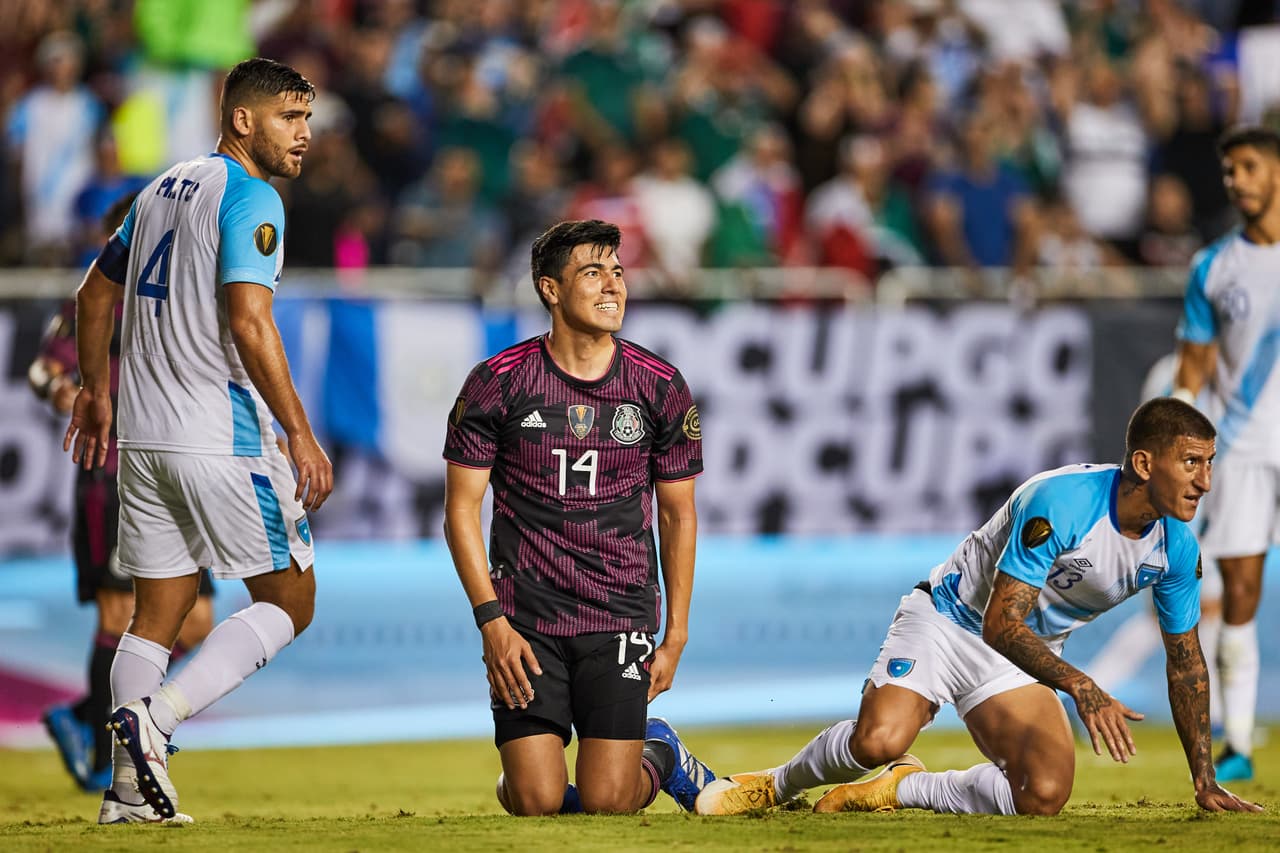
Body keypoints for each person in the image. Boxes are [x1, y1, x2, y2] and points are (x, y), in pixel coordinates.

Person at [697, 399, 1262, 817]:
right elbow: (1000, 620)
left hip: (1019, 657)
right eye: (1192, 463)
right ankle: (775, 785)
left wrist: (1205, 780)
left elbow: (1186, 664)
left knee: (1041, 796)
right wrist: (1082, 687)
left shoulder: (1178, 549)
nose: (1205, 482)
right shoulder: (1062, 503)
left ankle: (902, 788)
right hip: (950, 620)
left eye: (1209, 464)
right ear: (1144, 463)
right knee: (879, 740)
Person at [64, 57, 332, 824]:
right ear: (241, 120)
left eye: (307, 119)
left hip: (144, 442)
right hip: (221, 435)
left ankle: (127, 790)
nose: (304, 135)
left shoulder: (159, 189)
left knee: (158, 611)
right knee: (292, 599)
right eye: (290, 117)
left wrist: (95, 392)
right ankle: (158, 720)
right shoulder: (251, 199)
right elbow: (249, 320)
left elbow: (93, 295)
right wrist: (299, 432)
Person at [442, 219, 715, 816]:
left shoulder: (660, 385)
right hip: (526, 618)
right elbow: (460, 509)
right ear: (550, 289)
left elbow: (678, 515)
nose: (612, 286)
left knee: (608, 802)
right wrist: (491, 623)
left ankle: (660, 752)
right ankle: (525, 779)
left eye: (617, 272)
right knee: (536, 802)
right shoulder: (497, 383)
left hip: (619, 612)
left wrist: (676, 632)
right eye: (592, 273)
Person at [31, 193, 216, 793]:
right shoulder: (97, 297)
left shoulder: (183, 297)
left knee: (198, 622)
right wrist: (66, 390)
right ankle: (109, 746)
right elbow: (44, 367)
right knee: (120, 613)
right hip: (111, 477)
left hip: (176, 475)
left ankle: (87, 717)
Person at [1172, 124, 1280, 784]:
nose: (1233, 178)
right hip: (1241, 447)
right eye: (1227, 169)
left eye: (1246, 166)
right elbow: (1192, 369)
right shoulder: (1212, 268)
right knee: (1240, 591)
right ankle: (1237, 738)